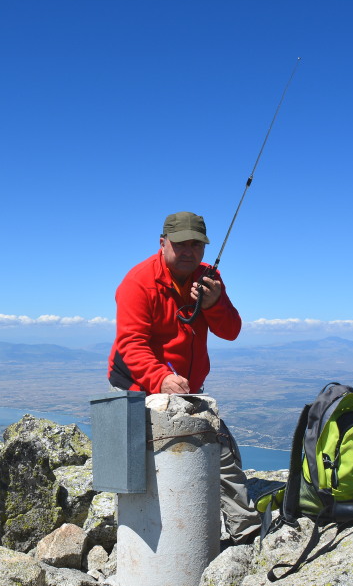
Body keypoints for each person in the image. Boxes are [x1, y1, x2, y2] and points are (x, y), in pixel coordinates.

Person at [107, 210, 261, 545]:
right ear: (163, 244)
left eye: (197, 244)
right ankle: (238, 531)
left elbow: (231, 330)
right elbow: (131, 343)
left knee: (221, 449)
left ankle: (233, 528)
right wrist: (159, 378)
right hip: (137, 384)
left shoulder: (208, 279)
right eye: (180, 244)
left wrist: (214, 304)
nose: (189, 251)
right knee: (192, 451)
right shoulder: (138, 282)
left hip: (185, 388)